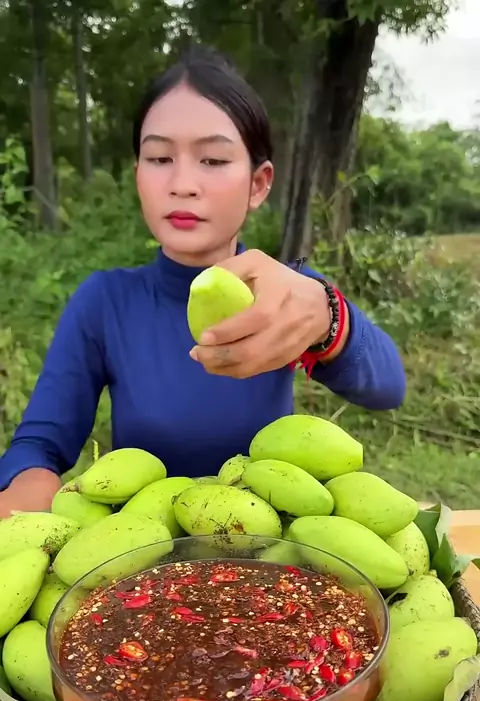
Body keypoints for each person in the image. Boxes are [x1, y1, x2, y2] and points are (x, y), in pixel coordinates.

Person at [0, 45, 406, 518]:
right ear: (138, 175)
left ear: (258, 184)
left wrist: (327, 317)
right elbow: (40, 443)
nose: (183, 184)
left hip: (264, 544)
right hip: (141, 550)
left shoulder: (285, 291)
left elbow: (387, 387)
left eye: (212, 160)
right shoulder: (106, 302)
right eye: (159, 158)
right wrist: (26, 492)